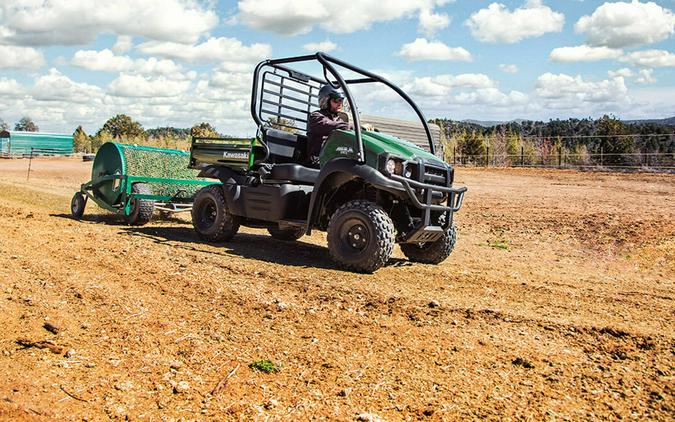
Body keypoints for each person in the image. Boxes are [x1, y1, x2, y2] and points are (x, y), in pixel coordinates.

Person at [306, 84, 353, 167]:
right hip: (318, 160)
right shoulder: (316, 117)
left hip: (333, 160)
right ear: (325, 100)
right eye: (336, 100)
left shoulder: (339, 120)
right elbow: (330, 125)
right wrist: (353, 126)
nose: (339, 103)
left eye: (341, 100)